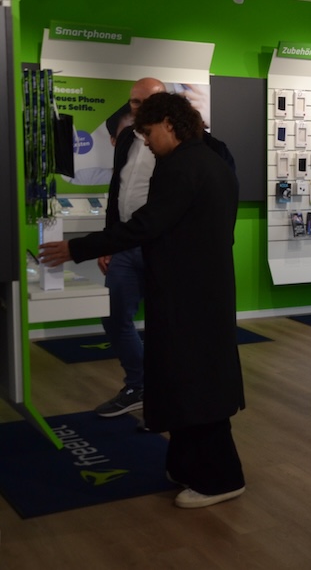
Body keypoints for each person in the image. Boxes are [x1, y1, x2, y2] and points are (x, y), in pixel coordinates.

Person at [40, 92, 245, 509]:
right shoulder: (211, 161)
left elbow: (145, 225)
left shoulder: (182, 167)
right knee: (186, 382)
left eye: (148, 133)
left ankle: (220, 478)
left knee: (194, 386)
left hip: (188, 296)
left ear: (169, 123)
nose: (146, 142)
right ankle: (189, 466)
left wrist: (77, 248)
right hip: (202, 291)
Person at [93, 78, 167, 418]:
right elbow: (116, 191)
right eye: (135, 102)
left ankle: (166, 393)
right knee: (113, 316)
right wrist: (108, 241)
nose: (139, 108)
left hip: (160, 247)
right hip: (124, 244)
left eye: (147, 101)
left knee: (165, 322)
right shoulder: (125, 138)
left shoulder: (178, 143)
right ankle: (139, 385)